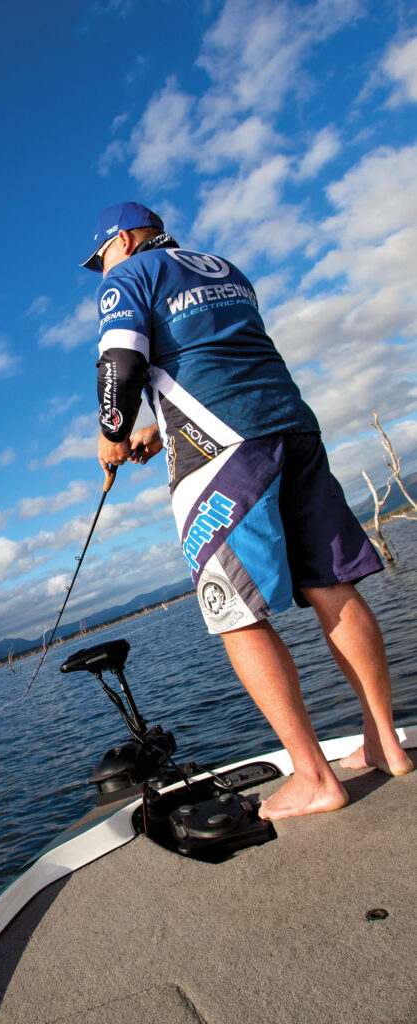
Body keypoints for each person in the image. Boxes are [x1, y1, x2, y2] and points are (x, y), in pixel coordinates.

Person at [81, 201, 413, 820]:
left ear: (123, 241)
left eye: (101, 259)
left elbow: (120, 361)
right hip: (292, 427)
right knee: (330, 584)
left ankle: (314, 777)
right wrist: (159, 429)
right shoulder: (223, 268)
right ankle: (385, 744)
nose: (101, 273)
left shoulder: (129, 276)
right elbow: (215, 358)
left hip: (223, 452)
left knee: (232, 610)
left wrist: (114, 427)